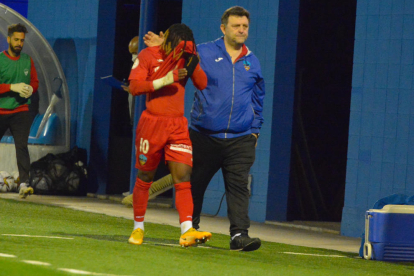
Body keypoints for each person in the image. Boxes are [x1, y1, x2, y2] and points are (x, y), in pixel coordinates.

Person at [144, 6, 265, 251]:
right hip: (203, 136)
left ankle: (239, 235)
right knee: (194, 185)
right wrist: (160, 47)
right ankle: (190, 229)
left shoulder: (252, 61)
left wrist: (254, 130)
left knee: (239, 187)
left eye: (245, 26)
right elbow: (176, 60)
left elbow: (258, 98)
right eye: (236, 26)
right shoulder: (204, 52)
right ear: (223, 28)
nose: (241, 30)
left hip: (240, 140)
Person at [126, 23, 212, 247]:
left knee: (183, 177)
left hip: (177, 126)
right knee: (145, 177)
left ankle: (186, 230)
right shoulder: (147, 55)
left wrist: (194, 61)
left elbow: (202, 84)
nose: (178, 51)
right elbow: (134, 87)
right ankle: (138, 228)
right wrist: (167, 79)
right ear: (167, 41)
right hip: (151, 125)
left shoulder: (187, 57)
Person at [0, 23, 39, 199]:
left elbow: (35, 82)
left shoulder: (27, 60)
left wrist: (31, 89)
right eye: (16, 39)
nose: (19, 43)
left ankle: (24, 183)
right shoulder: (1, 59)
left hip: (21, 110)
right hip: (1, 110)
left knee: (22, 146)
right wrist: (11, 87)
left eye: (22, 40)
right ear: (8, 39)